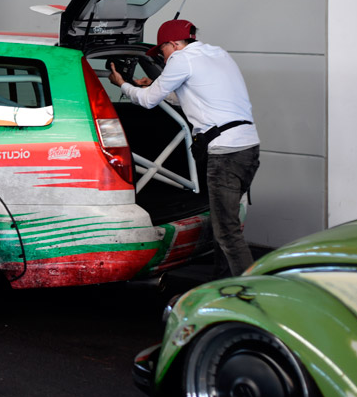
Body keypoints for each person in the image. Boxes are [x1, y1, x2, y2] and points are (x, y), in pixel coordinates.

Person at [108, 19, 260, 277]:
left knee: (227, 232)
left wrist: (122, 84)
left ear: (173, 44)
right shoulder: (218, 54)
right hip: (248, 148)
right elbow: (195, 96)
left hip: (225, 154)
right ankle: (222, 284)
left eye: (162, 51)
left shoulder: (181, 59)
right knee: (225, 225)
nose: (164, 59)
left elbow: (147, 102)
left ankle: (248, 291)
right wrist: (153, 86)